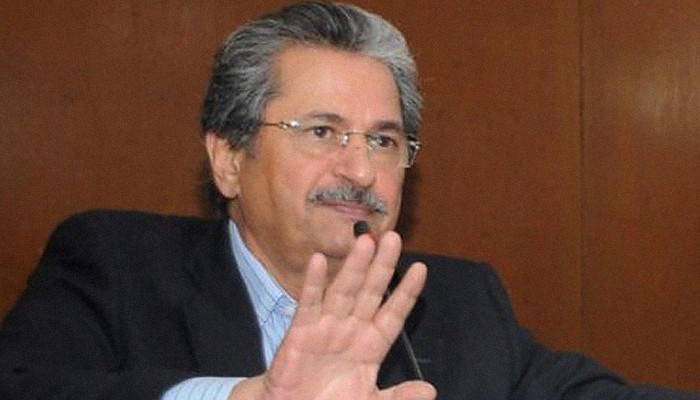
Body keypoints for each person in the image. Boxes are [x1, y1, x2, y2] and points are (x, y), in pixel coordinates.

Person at [0, 2, 698, 399]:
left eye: (384, 140)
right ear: (228, 159)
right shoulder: (115, 265)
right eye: (321, 132)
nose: (361, 169)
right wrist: (248, 399)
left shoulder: (457, 302)